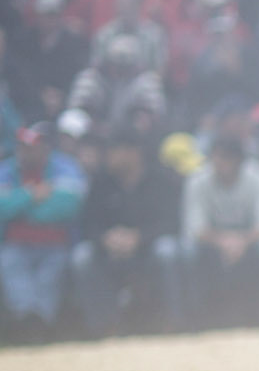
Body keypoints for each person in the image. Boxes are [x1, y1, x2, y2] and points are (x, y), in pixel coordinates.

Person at [71, 134, 185, 336]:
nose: (109, 156)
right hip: (109, 250)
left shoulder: (161, 180)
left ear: (134, 152)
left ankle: (174, 323)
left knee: (168, 251)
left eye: (115, 150)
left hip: (149, 248)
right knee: (83, 257)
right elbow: (88, 224)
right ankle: (104, 328)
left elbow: (172, 223)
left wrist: (139, 237)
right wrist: (106, 238)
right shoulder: (101, 182)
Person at [180, 130, 259, 330]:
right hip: (210, 243)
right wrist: (225, 242)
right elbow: (194, 228)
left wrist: (240, 242)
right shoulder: (197, 180)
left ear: (239, 160)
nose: (219, 163)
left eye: (225, 158)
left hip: (251, 242)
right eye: (215, 157)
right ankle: (191, 322)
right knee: (187, 251)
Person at [0, 124, 87, 340]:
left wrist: (20, 209)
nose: (26, 152)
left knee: (50, 277)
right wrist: (31, 195)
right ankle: (27, 322)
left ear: (45, 148)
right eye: (22, 147)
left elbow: (67, 207)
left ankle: (42, 326)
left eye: (32, 147)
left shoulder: (66, 167)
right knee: (11, 267)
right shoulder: (6, 170)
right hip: (15, 245)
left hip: (55, 244)